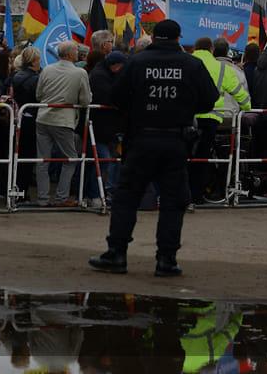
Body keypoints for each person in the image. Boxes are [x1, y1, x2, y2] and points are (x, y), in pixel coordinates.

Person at [89, 19, 219, 277]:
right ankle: (166, 259)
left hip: (140, 138)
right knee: (173, 202)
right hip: (176, 140)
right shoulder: (192, 64)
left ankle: (117, 253)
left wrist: (138, 108)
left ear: (155, 37)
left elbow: (116, 97)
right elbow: (209, 99)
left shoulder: (136, 62)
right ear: (178, 38)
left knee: (126, 198)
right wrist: (183, 107)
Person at [189, 37, 250, 207]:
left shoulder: (187, 62)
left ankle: (181, 193)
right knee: (203, 157)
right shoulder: (222, 67)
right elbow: (239, 92)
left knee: (184, 156)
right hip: (212, 117)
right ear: (211, 49)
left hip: (186, 117)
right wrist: (247, 107)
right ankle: (197, 195)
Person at [33, 41, 91, 207]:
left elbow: (38, 94)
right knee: (71, 159)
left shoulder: (47, 69)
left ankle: (43, 199)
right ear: (72, 54)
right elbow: (85, 100)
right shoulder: (80, 73)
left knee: (42, 160)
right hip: (63, 120)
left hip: (43, 117)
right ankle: (61, 197)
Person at [86, 51, 126, 202]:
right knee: (103, 161)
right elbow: (110, 97)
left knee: (107, 161)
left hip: (108, 127)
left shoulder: (104, 74)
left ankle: (100, 193)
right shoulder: (99, 76)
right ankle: (95, 195)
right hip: (101, 127)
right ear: (115, 65)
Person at [10, 46, 41, 199]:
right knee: (27, 158)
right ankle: (22, 192)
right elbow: (39, 97)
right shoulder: (35, 79)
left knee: (18, 156)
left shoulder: (16, 75)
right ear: (35, 60)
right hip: (31, 118)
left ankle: (16, 191)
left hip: (19, 117)